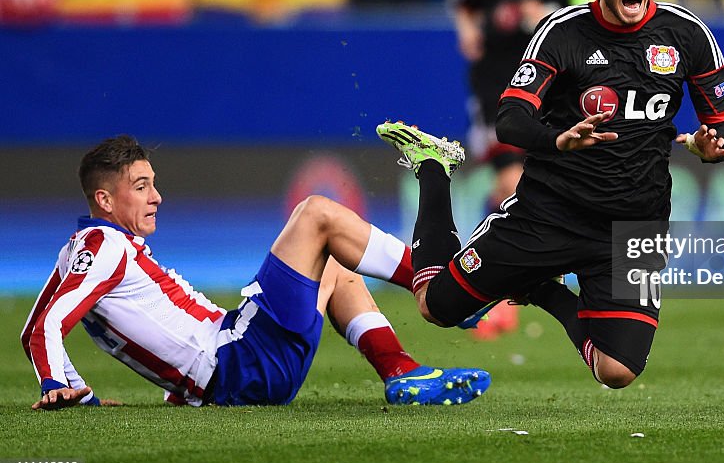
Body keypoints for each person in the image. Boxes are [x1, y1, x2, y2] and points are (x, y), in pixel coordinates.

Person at [379, 0, 724, 389]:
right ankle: (433, 167)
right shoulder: (562, 33)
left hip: (633, 225)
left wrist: (712, 144)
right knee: (435, 307)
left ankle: (542, 292)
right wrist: (557, 139)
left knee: (618, 371)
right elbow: (510, 120)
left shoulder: (686, 34)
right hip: (547, 215)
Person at [21, 136, 489, 410]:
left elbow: (32, 330)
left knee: (334, 265)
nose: (156, 196)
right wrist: (54, 385)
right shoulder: (104, 246)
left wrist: (76, 395)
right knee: (317, 214)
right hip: (239, 363)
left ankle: (401, 371)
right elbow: (45, 328)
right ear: (104, 201)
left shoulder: (78, 251)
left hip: (231, 369)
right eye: (141, 187)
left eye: (153, 184)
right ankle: (441, 283)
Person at [452, 0, 593, 338]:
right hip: (500, 97)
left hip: (556, 97)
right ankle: (486, 291)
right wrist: (468, 32)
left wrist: (548, 19)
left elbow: (593, 15)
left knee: (533, 192)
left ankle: (483, 281)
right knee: (510, 183)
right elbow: (464, 7)